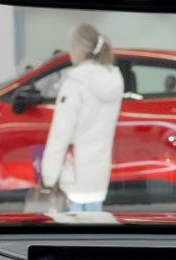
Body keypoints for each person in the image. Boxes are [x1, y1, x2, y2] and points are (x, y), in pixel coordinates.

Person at [39, 22, 124, 213]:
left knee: (72, 227)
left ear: (77, 49)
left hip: (74, 176)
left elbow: (61, 134)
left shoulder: (74, 83)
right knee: (95, 226)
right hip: (99, 176)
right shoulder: (114, 81)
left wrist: (49, 176)